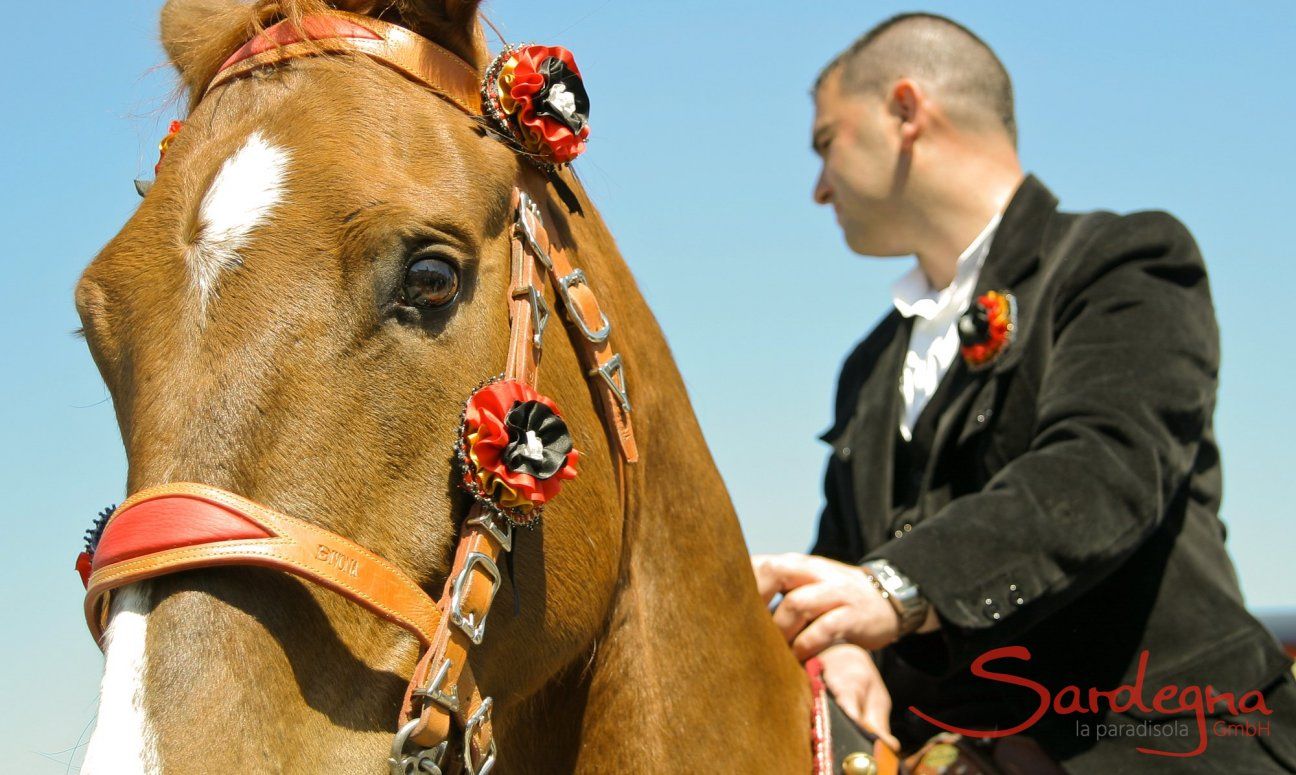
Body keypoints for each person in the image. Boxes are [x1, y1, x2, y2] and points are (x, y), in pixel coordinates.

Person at [750, 13, 1296, 772]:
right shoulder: (870, 364)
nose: (817, 188)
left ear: (906, 111)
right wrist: (840, 643)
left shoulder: (1123, 260)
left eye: (825, 144)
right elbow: (846, 557)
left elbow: (1103, 469)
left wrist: (900, 589)